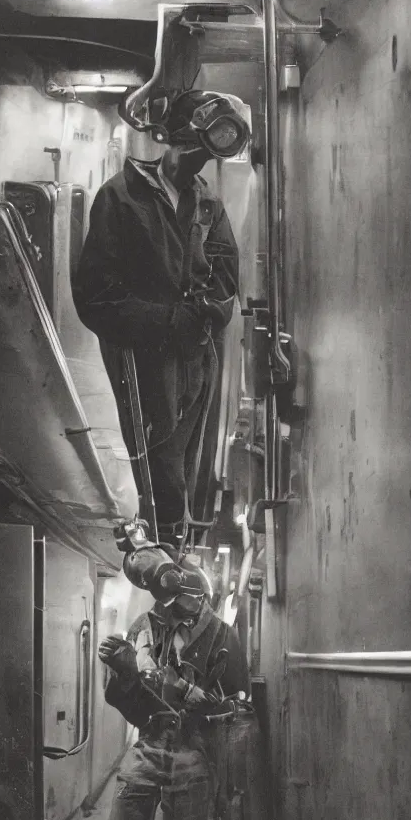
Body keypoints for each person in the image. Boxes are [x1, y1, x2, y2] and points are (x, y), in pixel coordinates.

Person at [73, 91, 249, 541]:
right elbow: (97, 298)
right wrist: (171, 322)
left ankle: (178, 552)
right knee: (156, 467)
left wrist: (202, 316)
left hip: (197, 356)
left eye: (206, 155)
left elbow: (226, 275)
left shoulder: (207, 203)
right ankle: (162, 557)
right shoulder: (121, 198)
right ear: (170, 139)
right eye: (193, 149)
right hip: (144, 359)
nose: (197, 163)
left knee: (187, 461)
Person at [98, 518, 250, 820]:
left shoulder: (222, 635)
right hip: (148, 749)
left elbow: (239, 707)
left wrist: (206, 709)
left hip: (193, 754)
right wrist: (124, 674)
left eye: (175, 600)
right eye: (163, 601)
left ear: (196, 595)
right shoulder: (143, 627)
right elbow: (126, 705)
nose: (165, 607)